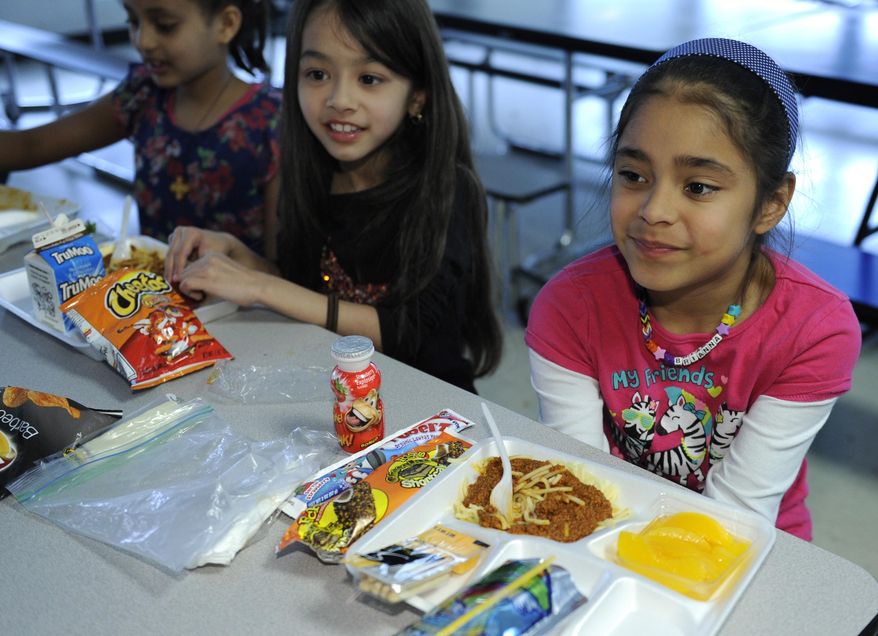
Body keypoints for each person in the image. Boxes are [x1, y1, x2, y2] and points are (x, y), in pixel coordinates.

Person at [525, 38, 862, 540]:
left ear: (771, 203)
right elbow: (581, 489)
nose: (654, 210)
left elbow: (735, 517)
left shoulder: (815, 331)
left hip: (744, 549)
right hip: (607, 535)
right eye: (634, 175)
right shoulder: (569, 306)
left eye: (698, 187)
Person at [164, 0, 502, 392]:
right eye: (318, 73)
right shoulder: (312, 172)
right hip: (335, 393)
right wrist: (240, 258)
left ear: (417, 96)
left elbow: (407, 332)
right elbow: (308, 292)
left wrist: (260, 288)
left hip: (433, 409)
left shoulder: (447, 187)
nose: (339, 99)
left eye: (369, 79)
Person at [0, 0, 280, 257]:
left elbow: (281, 268)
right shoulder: (142, 94)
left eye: (165, 26)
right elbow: (32, 145)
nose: (143, 41)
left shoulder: (271, 123)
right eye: (133, 22)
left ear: (226, 24)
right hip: (150, 298)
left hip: (242, 307)